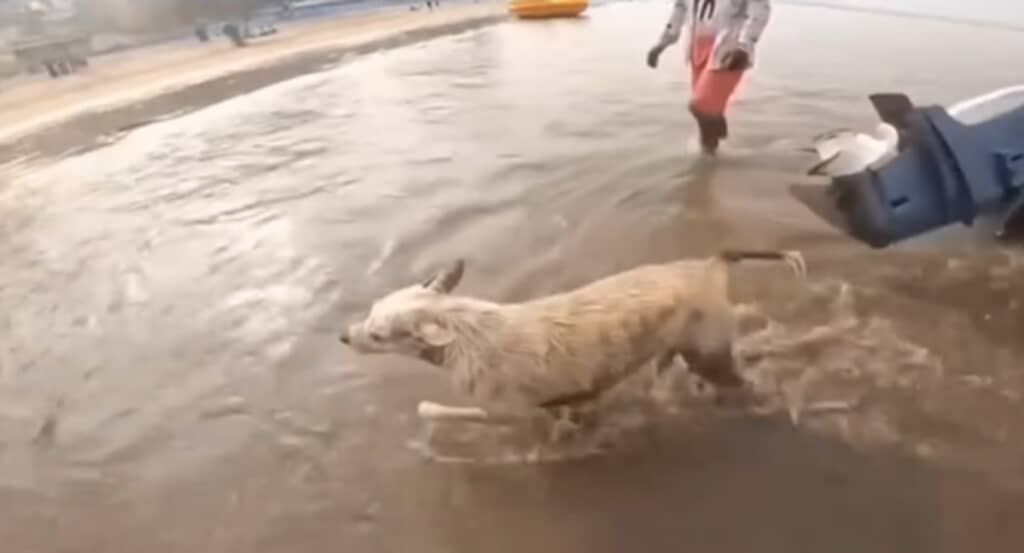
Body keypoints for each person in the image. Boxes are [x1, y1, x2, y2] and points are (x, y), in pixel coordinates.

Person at [646, 0, 772, 155]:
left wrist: (743, 45)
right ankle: (710, 163)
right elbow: (679, 10)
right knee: (705, 114)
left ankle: (710, 155)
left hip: (730, 49)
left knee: (700, 106)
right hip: (697, 48)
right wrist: (661, 44)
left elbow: (760, 11)